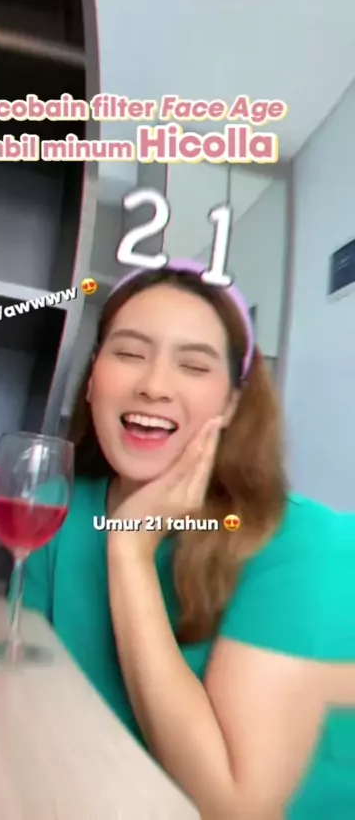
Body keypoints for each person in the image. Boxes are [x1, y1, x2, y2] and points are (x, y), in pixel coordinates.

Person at [22, 260, 355, 819]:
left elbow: (233, 806)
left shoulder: (309, 544)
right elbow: (24, 696)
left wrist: (130, 550)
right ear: (92, 380)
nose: (153, 386)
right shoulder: (54, 507)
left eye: (194, 365)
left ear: (231, 404)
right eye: (129, 353)